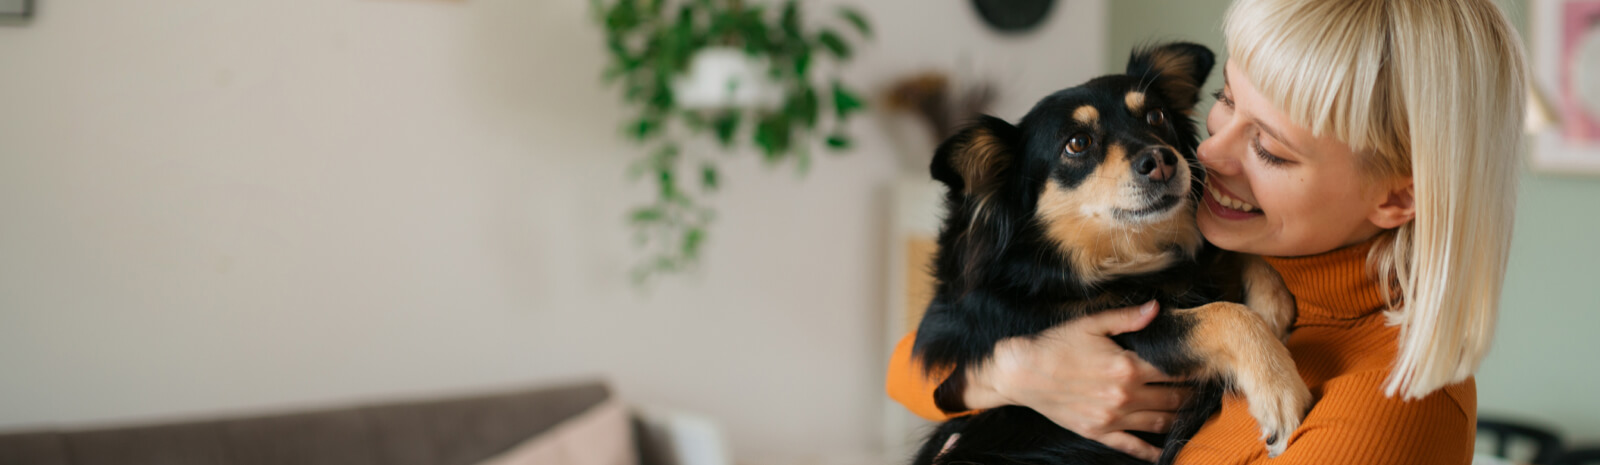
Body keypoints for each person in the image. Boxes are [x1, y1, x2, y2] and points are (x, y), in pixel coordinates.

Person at [885, 0, 1528, 463]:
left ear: (1398, 196)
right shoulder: (1216, 253)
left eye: (1271, 150)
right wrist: (1015, 374)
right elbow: (911, 364)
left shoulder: (1385, 419)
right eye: (1225, 101)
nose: (1207, 155)